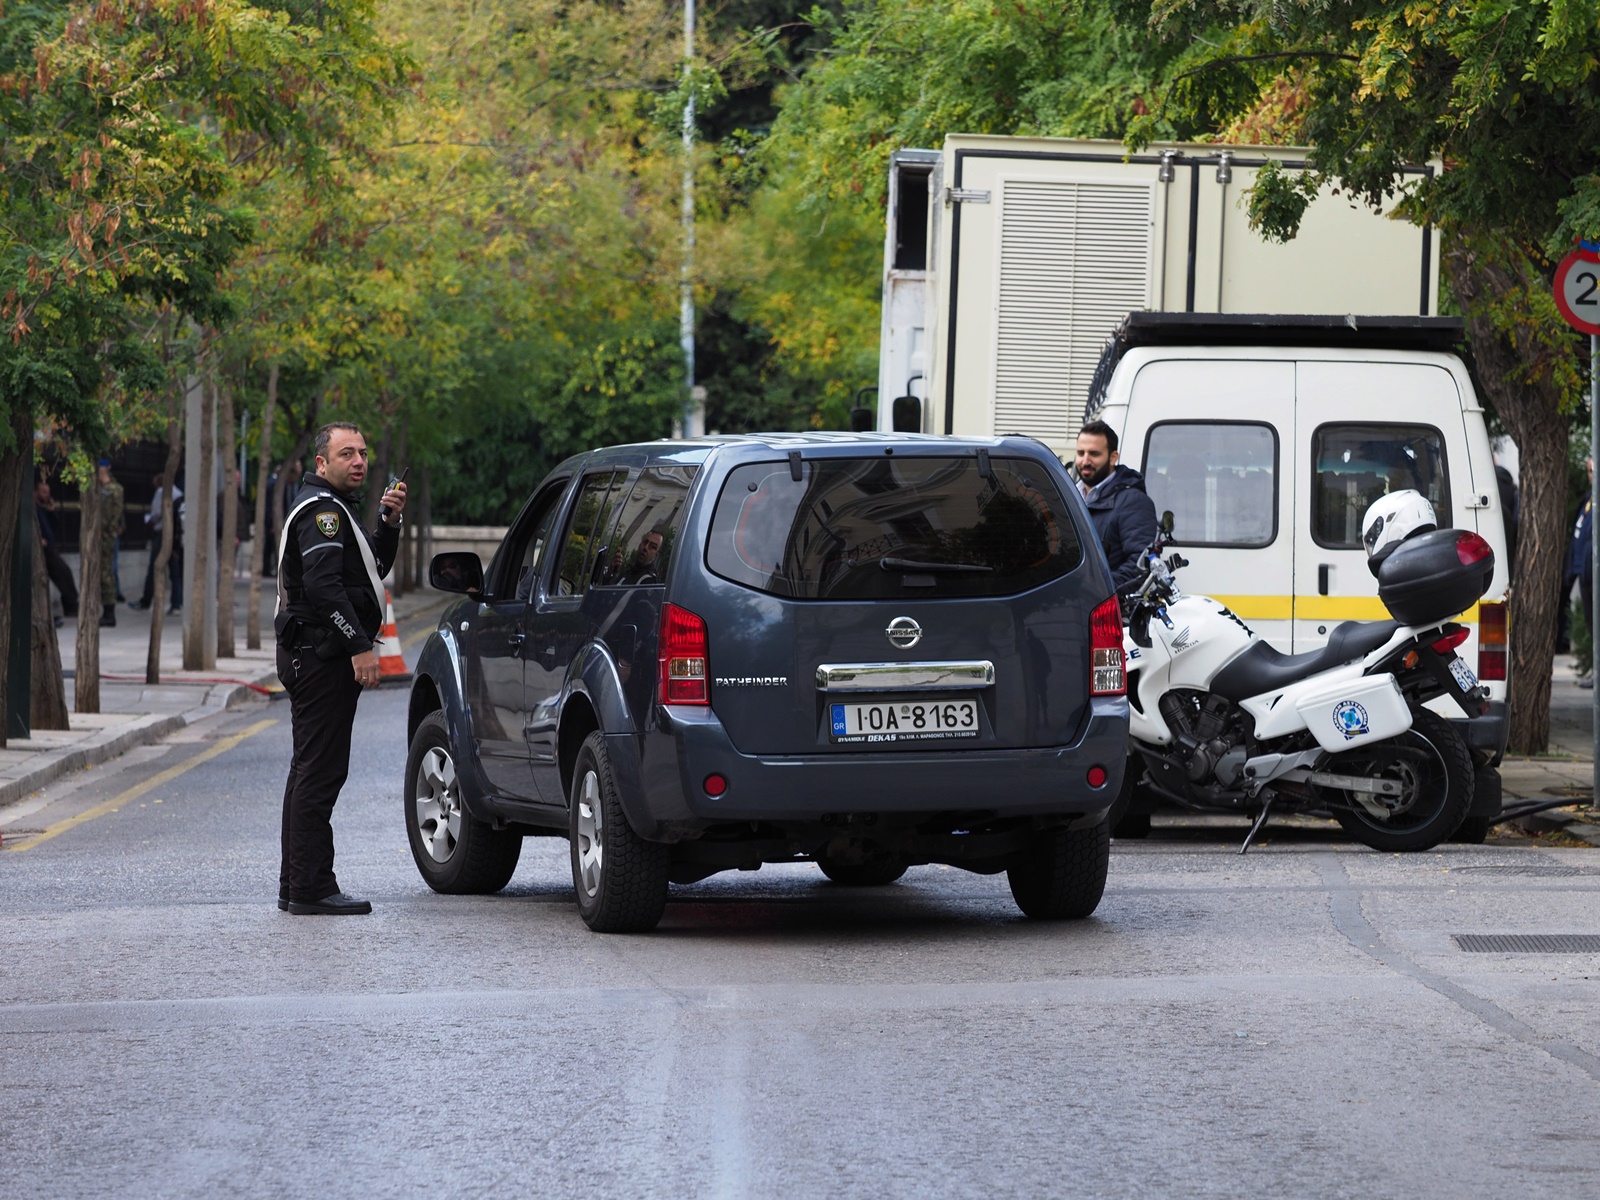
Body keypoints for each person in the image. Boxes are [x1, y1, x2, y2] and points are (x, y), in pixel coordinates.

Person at [273, 422, 407, 915]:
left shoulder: (335, 510)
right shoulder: (323, 514)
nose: (358, 461)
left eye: (363, 453)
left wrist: (388, 523)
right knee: (319, 773)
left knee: (309, 770)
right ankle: (311, 887)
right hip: (320, 657)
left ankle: (297, 885)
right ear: (321, 464)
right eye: (346, 453)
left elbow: (370, 569)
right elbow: (326, 587)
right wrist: (359, 647)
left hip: (311, 654)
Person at [1074, 419, 1158, 595]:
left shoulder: (1134, 502)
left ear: (1113, 457)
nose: (1085, 461)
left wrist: (1097, 590)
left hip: (1107, 611)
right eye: (1081, 453)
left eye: (1094, 454)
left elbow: (1142, 563)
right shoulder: (1069, 495)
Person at [131, 472, 183, 613]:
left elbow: (156, 513)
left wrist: (150, 522)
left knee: (154, 568)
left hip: (162, 533)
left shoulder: (162, 492)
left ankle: (146, 601)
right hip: (175, 535)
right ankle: (176, 604)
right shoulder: (179, 493)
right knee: (175, 571)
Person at [34, 477, 79, 621]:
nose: (46, 495)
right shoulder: (32, 508)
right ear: (36, 492)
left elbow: (52, 527)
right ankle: (69, 606)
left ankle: (71, 605)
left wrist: (52, 512)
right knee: (59, 573)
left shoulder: (43, 508)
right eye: (43, 492)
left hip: (50, 548)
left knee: (64, 573)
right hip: (42, 550)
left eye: (48, 492)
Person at [1568, 458, 1594, 688]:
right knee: (1591, 624)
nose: (1591, 475)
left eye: (1594, 471)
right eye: (1589, 471)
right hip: (1585, 574)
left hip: (1594, 575)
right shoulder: (1588, 500)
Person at [94, 459, 125, 627]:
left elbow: (116, 515)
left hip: (106, 537)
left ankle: (109, 613)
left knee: (106, 574)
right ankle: (105, 611)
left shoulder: (115, 489)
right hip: (97, 536)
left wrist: (107, 533)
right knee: (101, 574)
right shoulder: (95, 488)